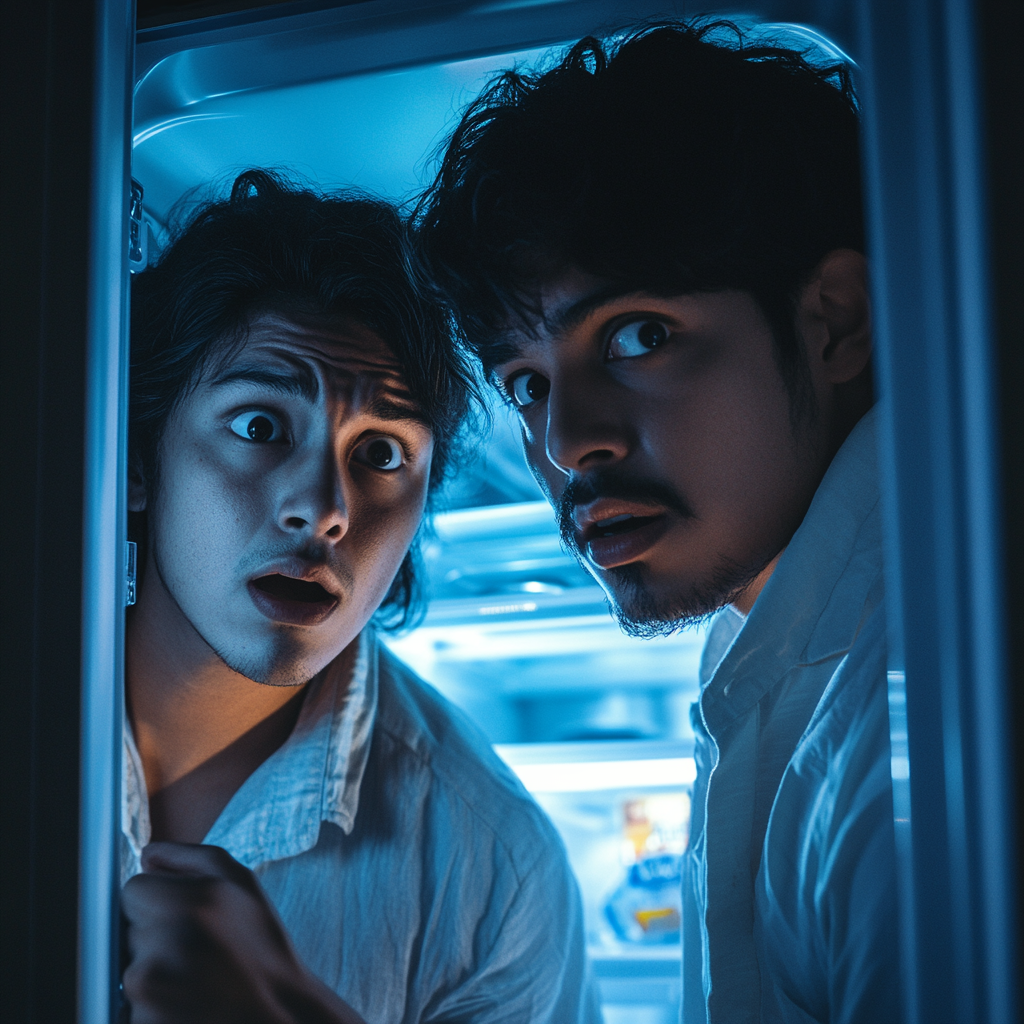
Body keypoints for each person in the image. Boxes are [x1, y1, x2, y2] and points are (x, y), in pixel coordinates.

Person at [417, 20, 900, 1024]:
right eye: (524, 383)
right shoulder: (784, 648)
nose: (564, 441)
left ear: (833, 322)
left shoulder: (898, 733)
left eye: (637, 336)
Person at [120, 169, 600, 1024]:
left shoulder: (491, 867)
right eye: (260, 426)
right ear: (138, 463)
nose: (327, 509)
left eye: (381, 455)